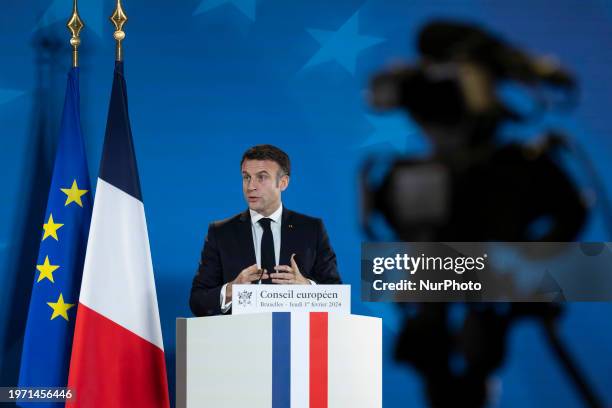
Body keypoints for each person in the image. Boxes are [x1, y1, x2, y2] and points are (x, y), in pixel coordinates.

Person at [190, 144, 342, 316]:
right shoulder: (220, 232)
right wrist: (232, 290)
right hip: (239, 338)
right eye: (246, 177)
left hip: (296, 337)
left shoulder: (311, 229)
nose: (250, 186)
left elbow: (336, 295)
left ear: (283, 183)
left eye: (261, 177)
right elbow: (197, 301)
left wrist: (306, 288)